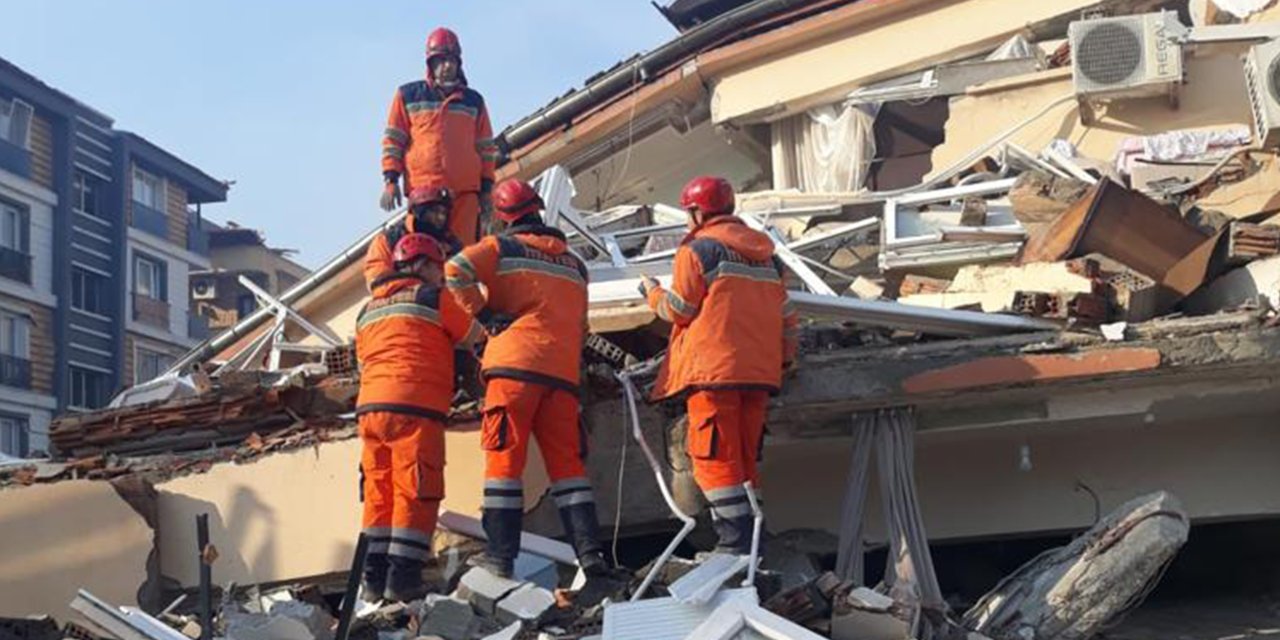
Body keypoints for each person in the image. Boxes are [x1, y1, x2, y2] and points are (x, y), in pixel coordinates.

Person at [443, 178, 608, 578]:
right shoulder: (575, 265)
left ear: (501, 218)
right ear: (538, 209)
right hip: (562, 377)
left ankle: (500, 559)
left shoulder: (502, 248)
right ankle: (592, 560)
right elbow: (582, 327)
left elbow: (456, 269)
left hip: (514, 370)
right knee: (569, 471)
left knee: (504, 465)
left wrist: (484, 316)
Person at [639, 176, 798, 555]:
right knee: (744, 460)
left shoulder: (699, 251)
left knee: (714, 459)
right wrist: (783, 362)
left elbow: (678, 310)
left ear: (697, 212)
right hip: (759, 375)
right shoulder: (769, 258)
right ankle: (755, 542)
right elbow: (788, 318)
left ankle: (734, 544)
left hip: (714, 373)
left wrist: (651, 293)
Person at [355, 233, 485, 602]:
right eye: (437, 268)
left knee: (379, 493)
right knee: (417, 490)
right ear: (424, 266)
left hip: (370, 410)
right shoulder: (432, 297)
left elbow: (363, 358)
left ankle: (372, 580)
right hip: (414, 405)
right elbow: (474, 333)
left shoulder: (367, 309)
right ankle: (403, 579)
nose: (441, 276)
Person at [379, 27, 497, 246]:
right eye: (441, 60)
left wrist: (487, 189)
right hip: (424, 192)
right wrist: (391, 179)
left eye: (452, 60)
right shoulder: (408, 95)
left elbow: (486, 150)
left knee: (463, 256)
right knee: (424, 249)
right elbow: (394, 140)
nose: (447, 66)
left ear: (459, 63)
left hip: (465, 193)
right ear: (430, 63)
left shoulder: (474, 101)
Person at [364, 181, 464, 290]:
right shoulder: (388, 240)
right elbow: (378, 281)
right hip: (402, 301)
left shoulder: (451, 244)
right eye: (434, 212)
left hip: (443, 302)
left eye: (443, 213)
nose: (440, 218)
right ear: (419, 212)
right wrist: (416, 290)